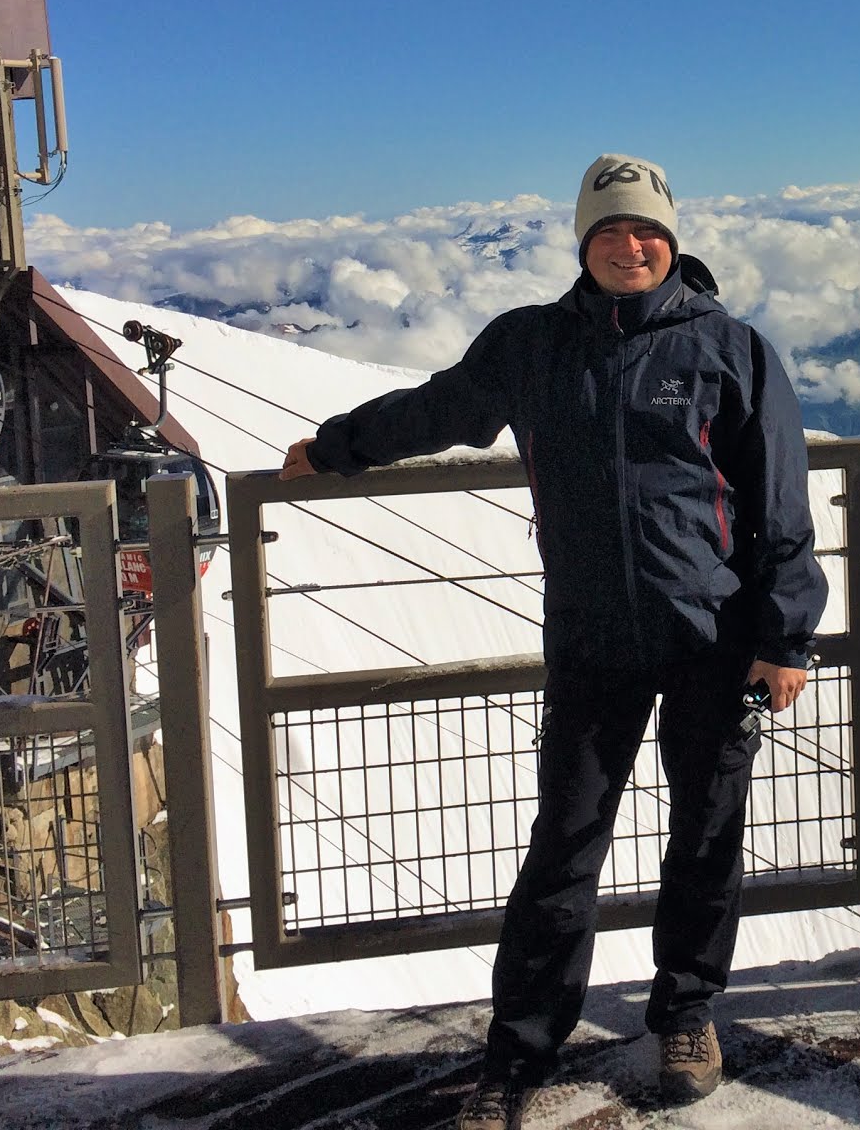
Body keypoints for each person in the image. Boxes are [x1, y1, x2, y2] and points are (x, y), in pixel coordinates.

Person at [280, 153, 826, 1130]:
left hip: (713, 637)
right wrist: (335, 448)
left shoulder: (730, 349)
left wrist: (784, 638)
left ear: (673, 240)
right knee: (564, 848)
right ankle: (520, 1050)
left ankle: (685, 1014)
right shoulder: (529, 344)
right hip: (590, 639)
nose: (629, 245)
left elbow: (780, 502)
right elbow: (437, 409)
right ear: (582, 242)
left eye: (646, 229)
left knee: (705, 835)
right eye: (609, 230)